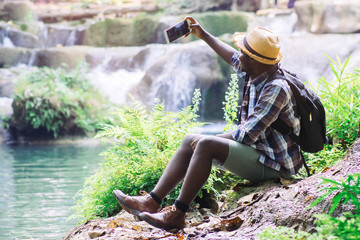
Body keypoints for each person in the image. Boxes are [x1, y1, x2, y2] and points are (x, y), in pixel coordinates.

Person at [113, 16, 302, 232]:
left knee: (204, 145)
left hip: (274, 164)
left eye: (244, 53)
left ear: (254, 60)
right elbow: (231, 57)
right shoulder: (258, 71)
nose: (239, 55)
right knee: (190, 140)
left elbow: (248, 135)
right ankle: (151, 201)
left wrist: (207, 141)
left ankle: (177, 215)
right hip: (259, 151)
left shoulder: (276, 88)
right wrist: (202, 35)